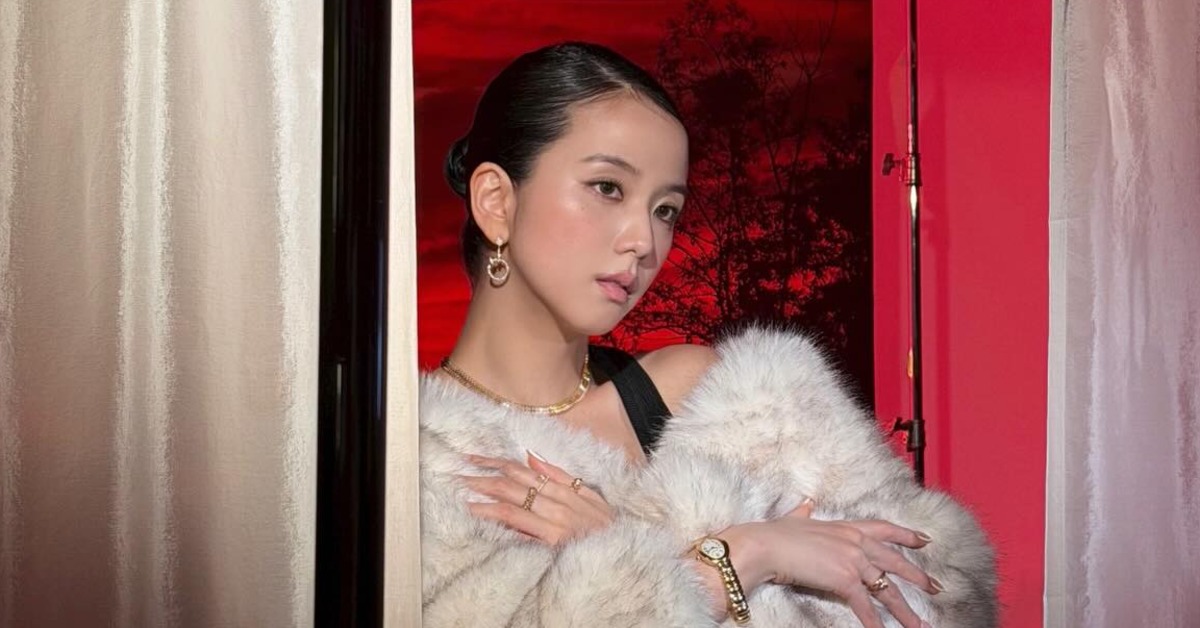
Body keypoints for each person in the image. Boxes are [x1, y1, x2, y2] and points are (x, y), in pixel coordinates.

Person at [419, 41, 996, 627]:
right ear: (496, 201)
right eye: (608, 187)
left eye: (665, 210)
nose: (644, 241)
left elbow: (941, 599)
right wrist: (743, 556)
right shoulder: (421, 464)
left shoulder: (728, 400)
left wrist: (633, 563)